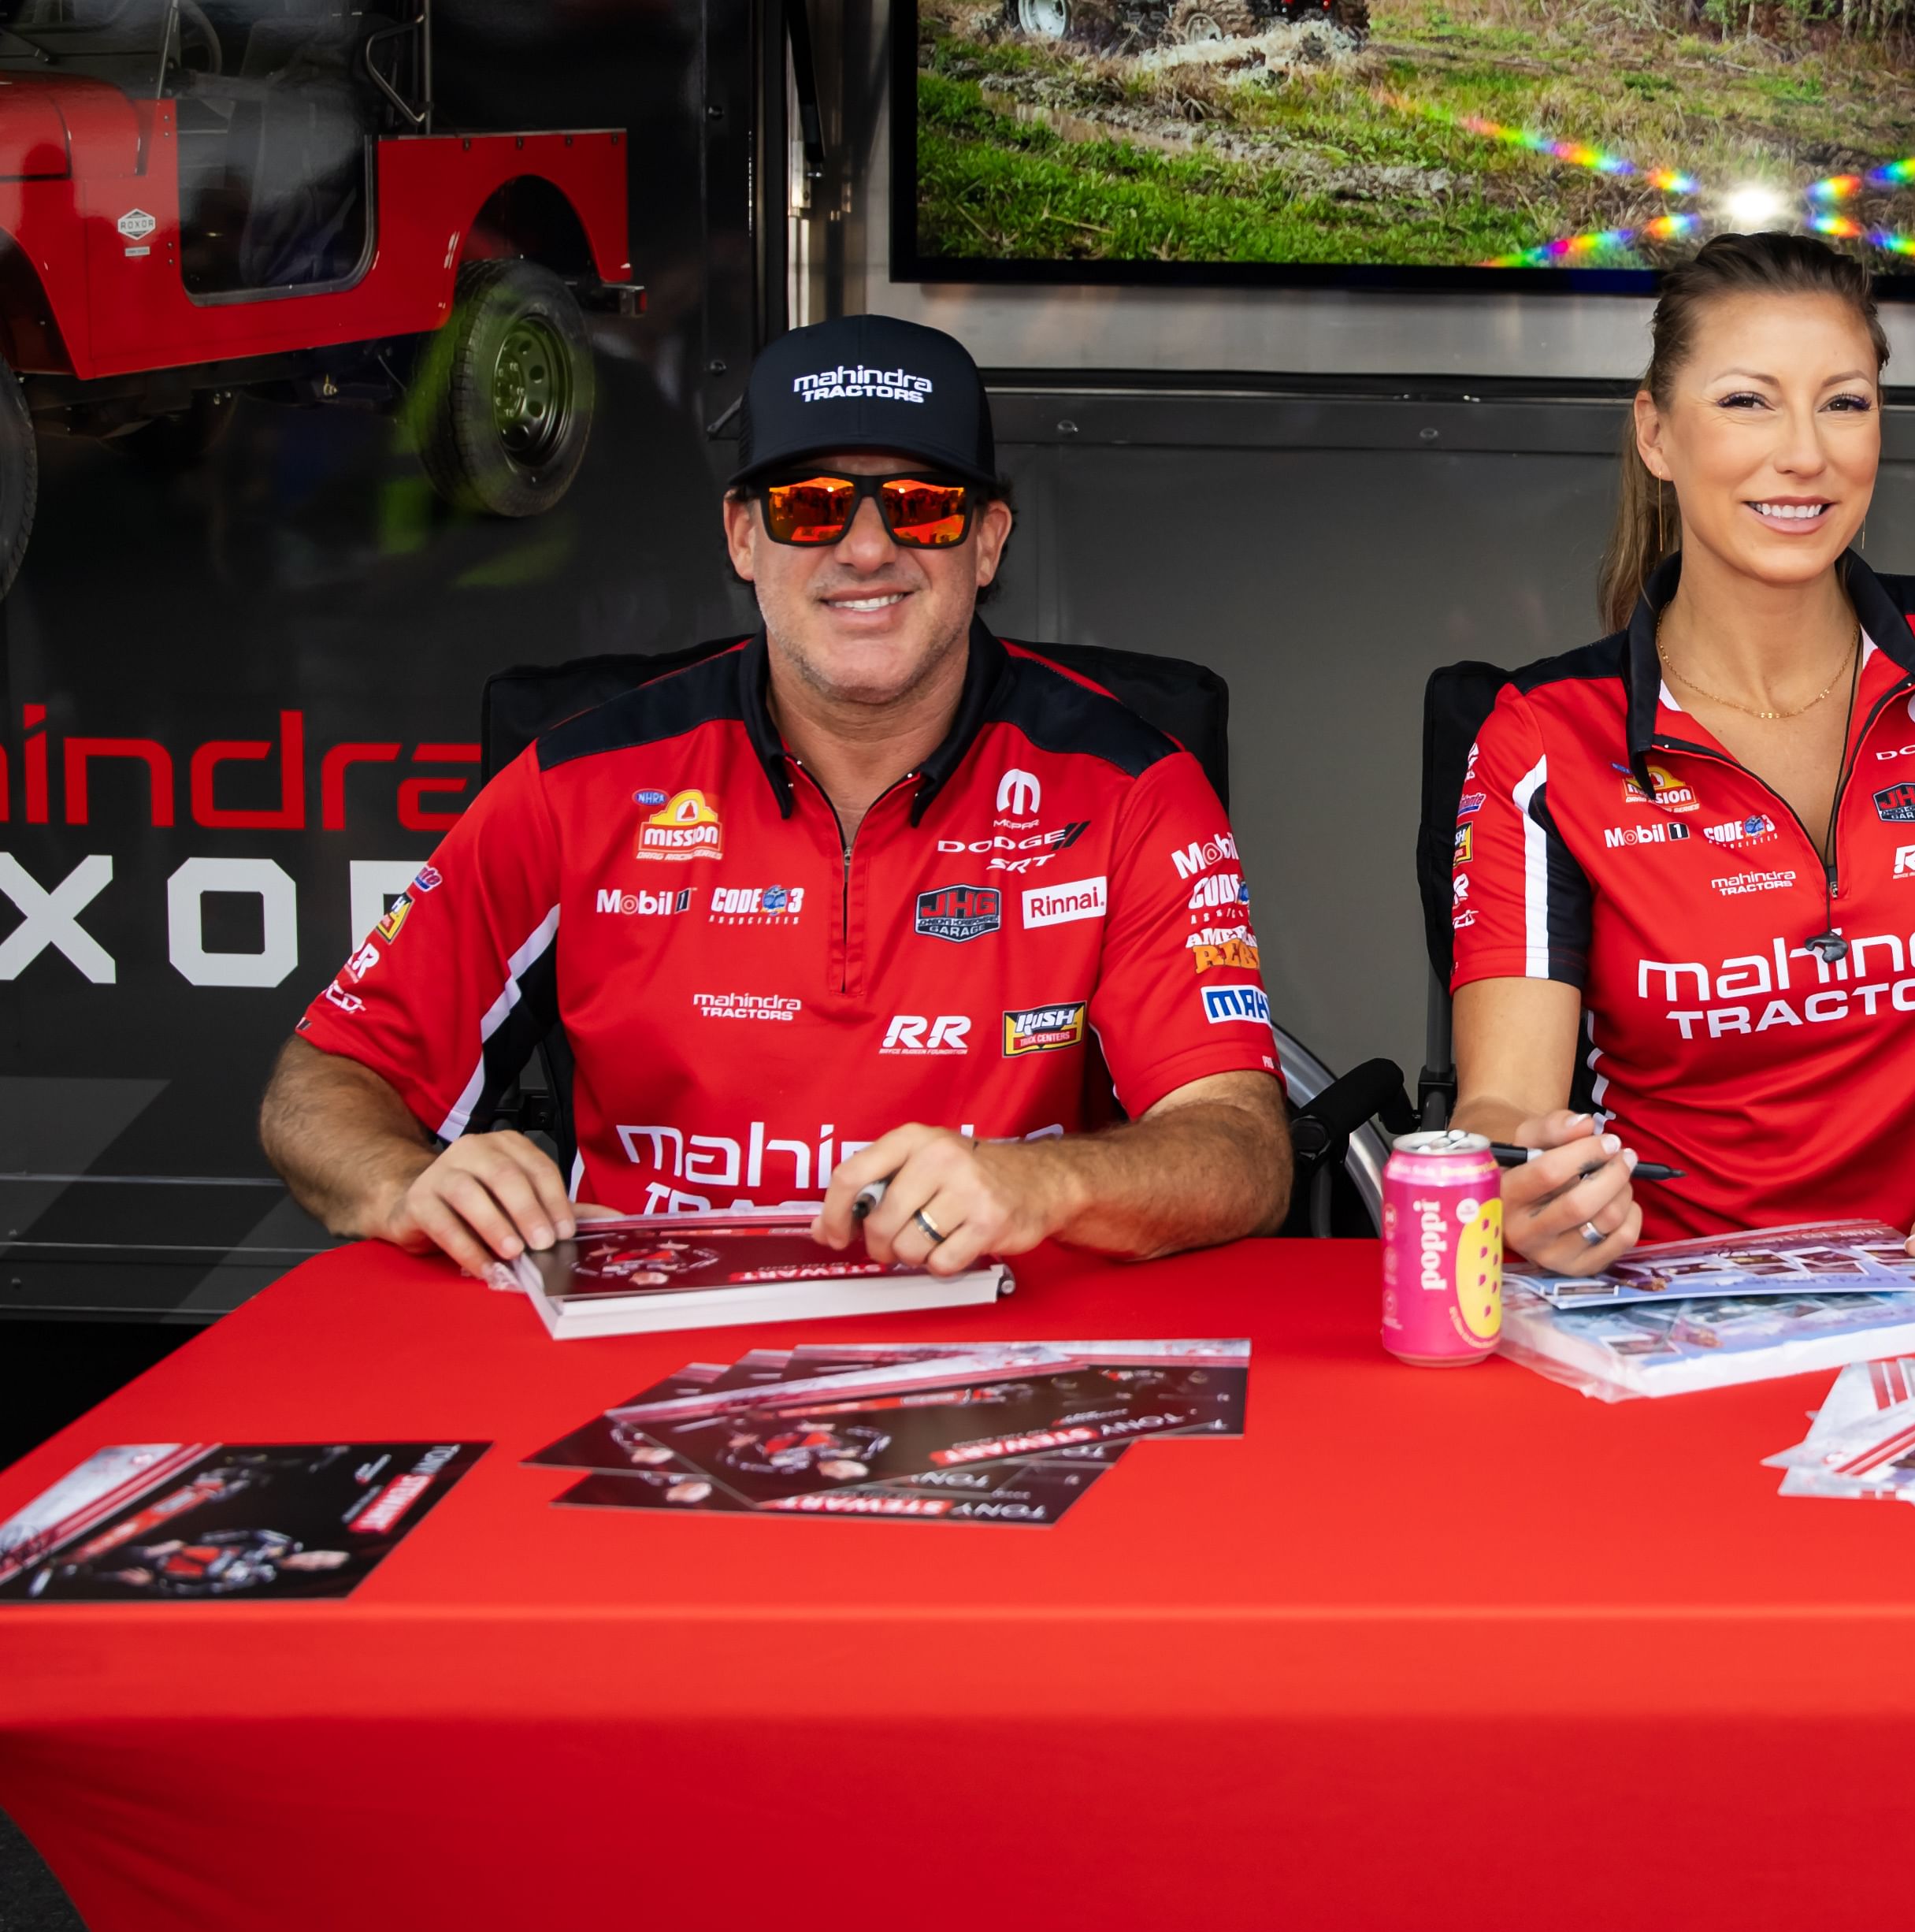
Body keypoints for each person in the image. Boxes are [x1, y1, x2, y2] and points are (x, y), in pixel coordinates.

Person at [258, 314, 1294, 1277]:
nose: (865, 548)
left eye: (921, 507)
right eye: (810, 505)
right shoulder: (578, 783)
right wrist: (404, 1182)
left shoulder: (1132, 788)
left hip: (999, 1345)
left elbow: (1243, 1149)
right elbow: (324, 1084)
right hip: (640, 1350)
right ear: (743, 537)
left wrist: (1049, 1180)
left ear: (987, 542)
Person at [1448, 235, 1915, 1280]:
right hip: (1665, 1318)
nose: (1805, 453)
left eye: (1844, 402)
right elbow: (1501, 1105)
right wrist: (1525, 1194)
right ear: (1655, 432)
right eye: (1746, 401)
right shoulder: (1545, 735)